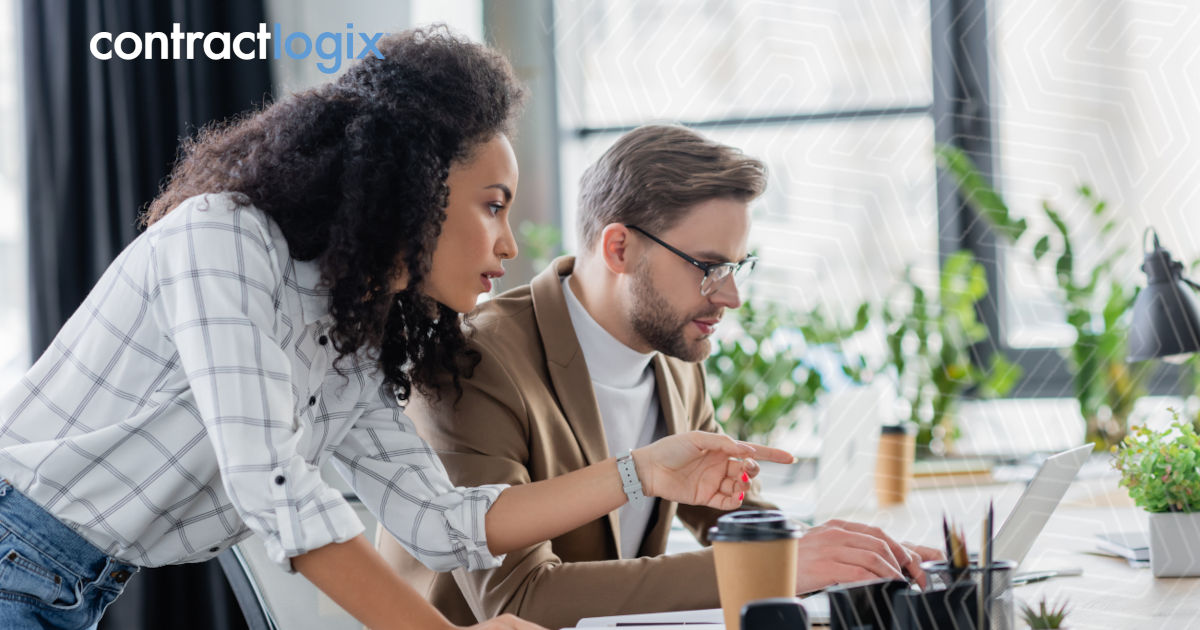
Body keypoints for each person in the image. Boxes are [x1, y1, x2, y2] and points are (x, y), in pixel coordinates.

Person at [0, 30, 793, 630]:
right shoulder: (224, 239)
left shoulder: (341, 333)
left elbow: (441, 521)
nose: (511, 244)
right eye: (493, 204)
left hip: (74, 581)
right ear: (413, 187)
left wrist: (642, 471)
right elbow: (279, 496)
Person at [379, 124, 944, 629]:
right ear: (619, 247)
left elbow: (731, 513)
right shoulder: (473, 361)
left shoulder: (673, 351)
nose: (731, 296)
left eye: (736, 267)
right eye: (708, 268)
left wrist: (851, 555)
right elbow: (520, 601)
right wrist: (773, 567)